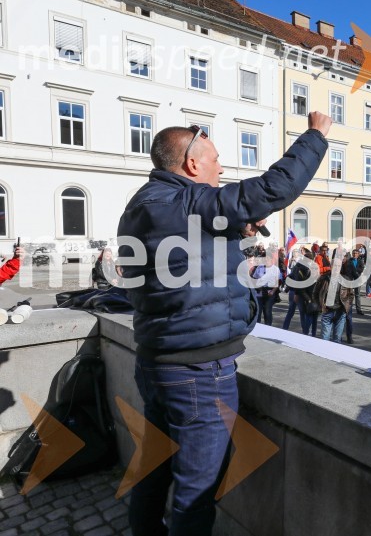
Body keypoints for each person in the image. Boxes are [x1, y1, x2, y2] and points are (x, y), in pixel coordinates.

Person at [118, 112, 331, 536]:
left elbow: (182, 260)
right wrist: (315, 135)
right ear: (192, 165)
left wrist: (234, 229)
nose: (221, 170)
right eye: (215, 161)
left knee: (152, 468)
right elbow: (274, 188)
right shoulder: (188, 201)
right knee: (195, 491)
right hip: (199, 372)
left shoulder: (142, 204)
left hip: (156, 360)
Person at [252, 255, 280, 326]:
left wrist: (273, 291)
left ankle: (268, 326)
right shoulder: (259, 267)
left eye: (268, 259)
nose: (266, 261)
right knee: (258, 310)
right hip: (259, 292)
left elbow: (277, 282)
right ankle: (257, 326)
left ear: (271, 260)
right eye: (265, 260)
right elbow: (254, 278)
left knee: (267, 311)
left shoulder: (275, 269)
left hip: (270, 292)